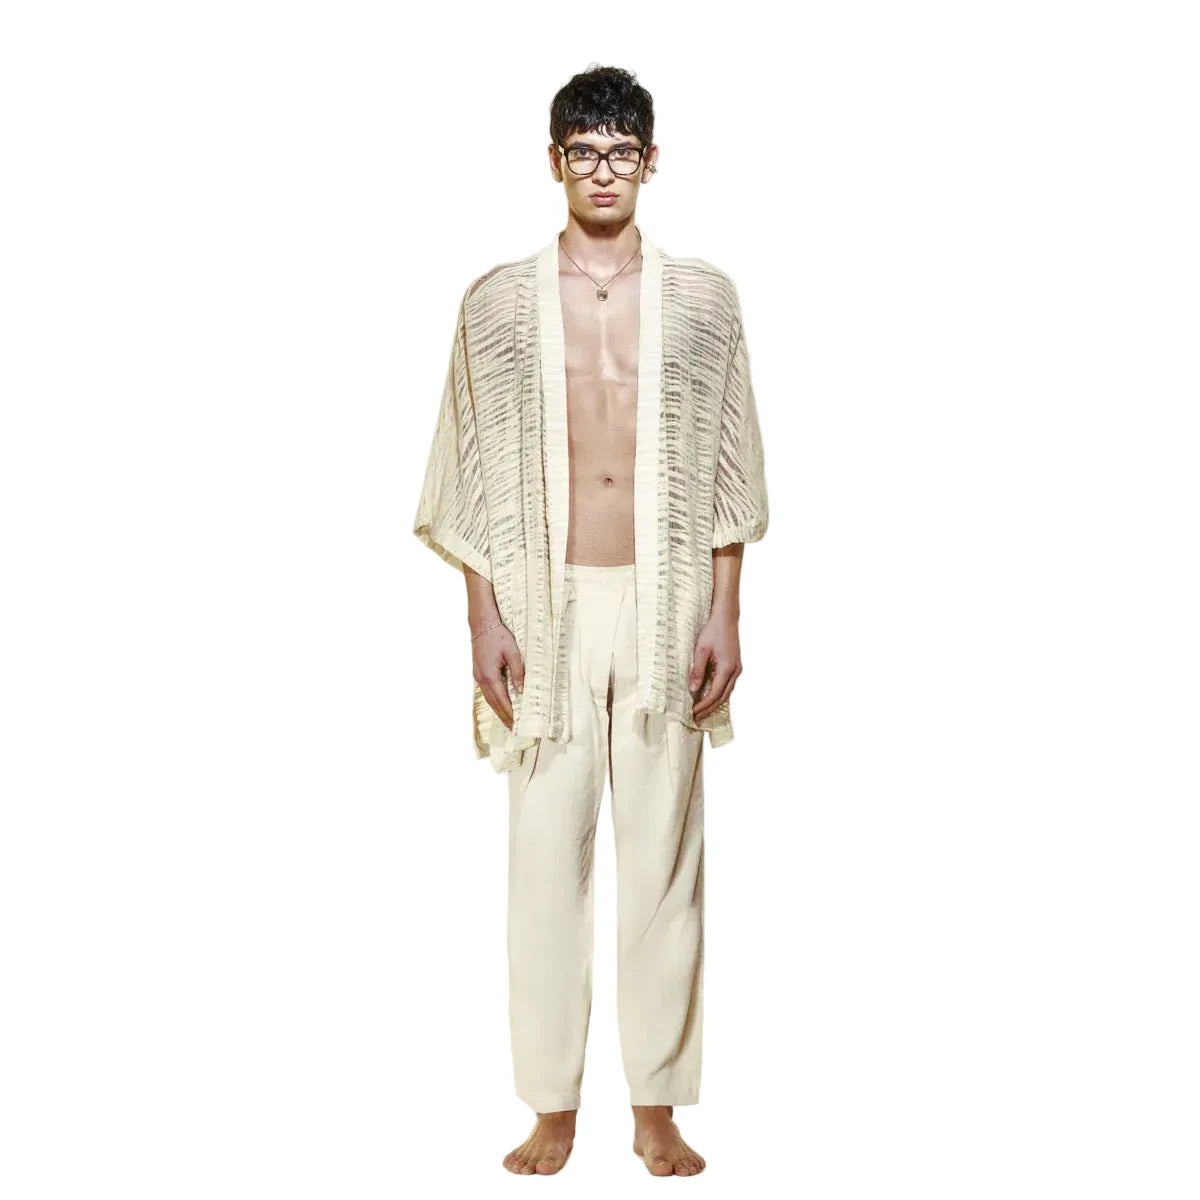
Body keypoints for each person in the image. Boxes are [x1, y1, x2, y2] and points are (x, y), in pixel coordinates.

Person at [413, 64, 769, 1177]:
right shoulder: (495, 302)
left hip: (666, 603)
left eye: (621, 151)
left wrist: (726, 613)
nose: (603, 170)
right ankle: (551, 1107)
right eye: (584, 151)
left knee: (664, 859)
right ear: (554, 161)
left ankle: (656, 1104)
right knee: (543, 862)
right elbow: (466, 474)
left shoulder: (705, 299)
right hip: (544, 604)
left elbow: (731, 467)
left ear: (651, 162)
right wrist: (481, 619)